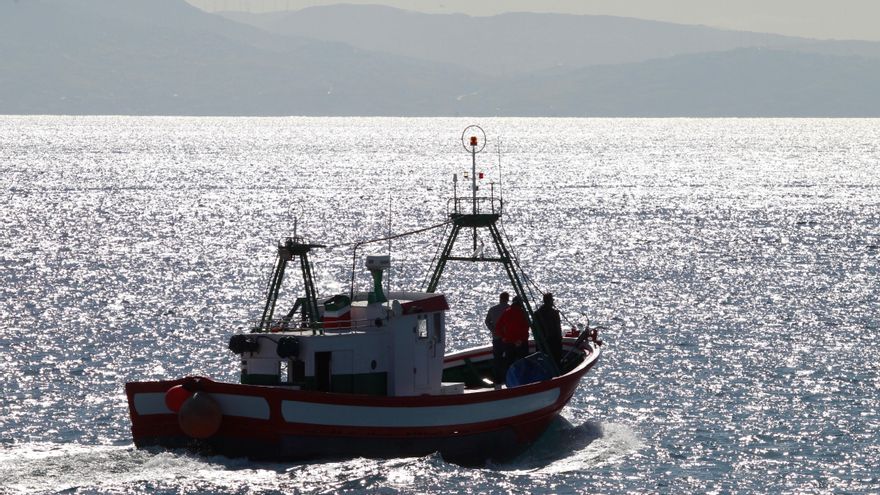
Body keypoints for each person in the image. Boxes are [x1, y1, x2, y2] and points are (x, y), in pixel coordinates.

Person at [495, 296, 530, 382]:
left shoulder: (507, 312)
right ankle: (524, 380)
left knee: (509, 363)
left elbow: (498, 327)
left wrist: (503, 337)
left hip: (509, 342)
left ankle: (509, 381)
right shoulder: (523, 312)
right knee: (523, 361)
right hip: (521, 342)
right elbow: (526, 327)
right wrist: (521, 340)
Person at [484, 291, 510, 387]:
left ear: (500, 298)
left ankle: (497, 380)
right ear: (507, 298)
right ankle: (507, 378)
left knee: (497, 359)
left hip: (496, 337)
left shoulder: (493, 309)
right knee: (508, 358)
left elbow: (487, 321)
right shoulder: (509, 309)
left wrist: (493, 330)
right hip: (507, 338)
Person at [534, 292, 563, 367]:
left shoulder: (537, 313)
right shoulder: (554, 313)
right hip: (553, 342)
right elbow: (557, 329)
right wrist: (560, 339)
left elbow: (534, 328)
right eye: (552, 300)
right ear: (550, 301)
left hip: (541, 342)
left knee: (542, 360)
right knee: (556, 360)